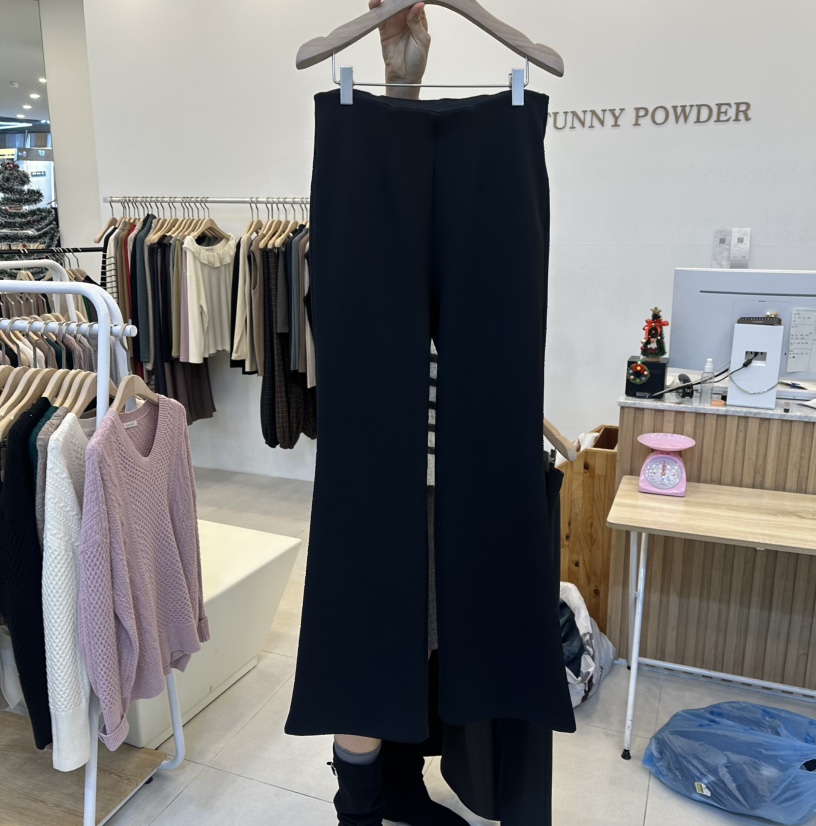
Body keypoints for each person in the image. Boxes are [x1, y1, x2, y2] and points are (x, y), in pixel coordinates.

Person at [325, 10, 471, 826]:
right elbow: (383, 190)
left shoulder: (472, 249)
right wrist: (398, 88)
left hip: (450, 476)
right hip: (382, 477)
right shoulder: (362, 246)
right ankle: (358, 807)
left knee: (424, 643)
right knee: (368, 644)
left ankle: (402, 788)